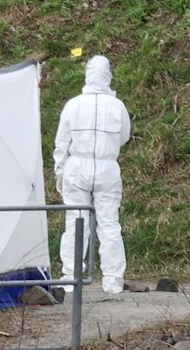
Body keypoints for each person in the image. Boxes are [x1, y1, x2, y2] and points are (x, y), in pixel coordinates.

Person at [53, 55, 132, 296]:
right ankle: (113, 280)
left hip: (77, 167)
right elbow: (124, 137)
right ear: (108, 76)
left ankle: (70, 276)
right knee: (109, 224)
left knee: (76, 221)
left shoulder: (73, 105)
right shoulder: (117, 106)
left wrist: (59, 169)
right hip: (107, 167)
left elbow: (61, 142)